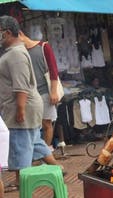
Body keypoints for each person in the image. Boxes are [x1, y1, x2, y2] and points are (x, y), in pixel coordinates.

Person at [0, 16, 62, 187]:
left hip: (22, 108)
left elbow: (21, 86)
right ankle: (58, 170)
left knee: (21, 148)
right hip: (26, 107)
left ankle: (23, 185)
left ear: (7, 33)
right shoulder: (14, 52)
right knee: (34, 143)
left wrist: (20, 111)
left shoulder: (15, 55)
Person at [19, 30, 61, 151]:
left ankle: (46, 154)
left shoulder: (43, 47)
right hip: (29, 94)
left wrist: (53, 92)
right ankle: (41, 153)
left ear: (21, 34)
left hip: (44, 92)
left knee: (47, 124)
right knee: (32, 126)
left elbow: (53, 70)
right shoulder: (19, 52)